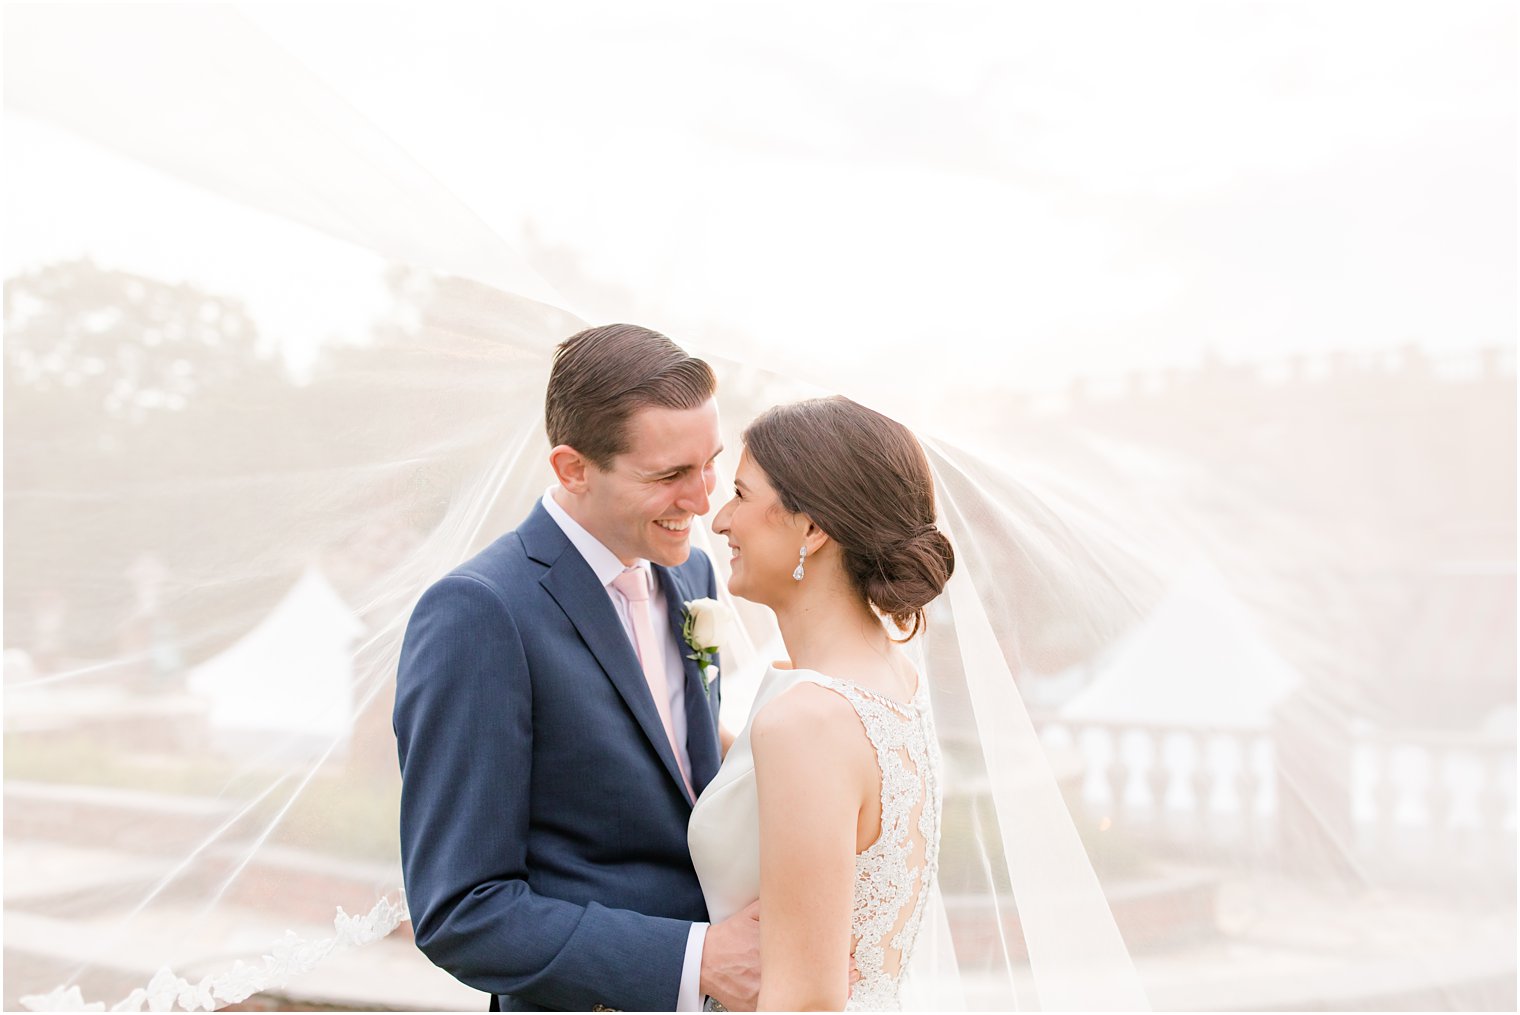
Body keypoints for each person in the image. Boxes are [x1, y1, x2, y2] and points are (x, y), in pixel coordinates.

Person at [393, 323, 761, 1012]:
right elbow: (462, 912)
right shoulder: (480, 613)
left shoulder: (694, 575)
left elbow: (678, 774)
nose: (704, 498)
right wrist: (696, 959)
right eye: (670, 475)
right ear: (572, 468)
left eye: (709, 461)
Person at [690, 396, 955, 1011]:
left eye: (741, 494)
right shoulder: (894, 677)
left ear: (812, 528)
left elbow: (804, 1003)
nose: (721, 519)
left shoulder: (807, 722)